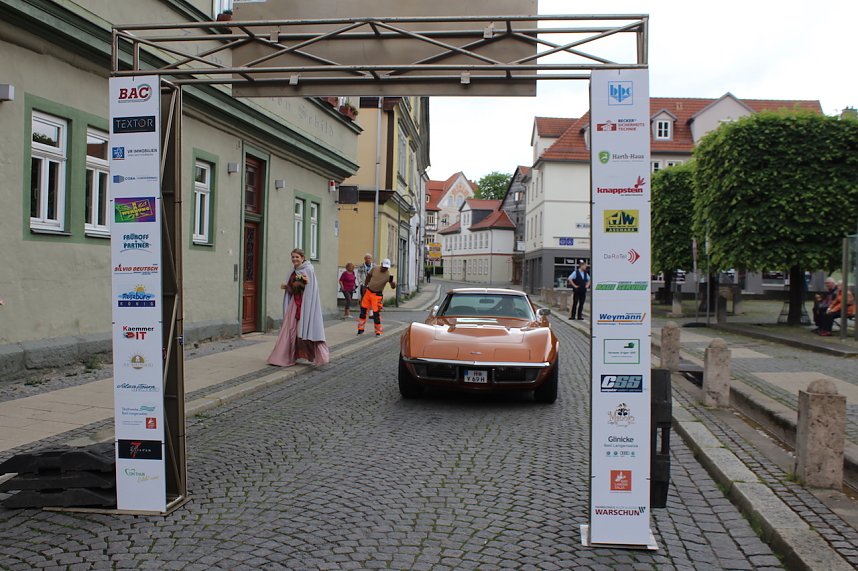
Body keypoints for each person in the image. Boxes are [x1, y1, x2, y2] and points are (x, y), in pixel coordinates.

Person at [268, 248, 330, 366]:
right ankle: (283, 357)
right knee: (289, 329)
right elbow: (295, 288)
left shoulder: (308, 269)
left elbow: (309, 288)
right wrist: (288, 287)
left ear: (302, 258)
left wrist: (299, 283)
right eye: (293, 257)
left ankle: (321, 356)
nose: (294, 259)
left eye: (297, 257)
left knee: (305, 329)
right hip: (294, 303)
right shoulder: (293, 270)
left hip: (304, 305)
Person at [357, 258, 396, 337]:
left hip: (377, 295)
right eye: (384, 267)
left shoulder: (388, 275)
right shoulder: (375, 268)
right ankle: (360, 329)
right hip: (368, 292)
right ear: (381, 264)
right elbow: (368, 276)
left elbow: (393, 287)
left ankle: (378, 331)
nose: (384, 269)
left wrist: (393, 283)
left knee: (376, 314)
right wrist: (365, 286)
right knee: (363, 311)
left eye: (386, 268)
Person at [356, 253, 374, 318]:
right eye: (366, 258)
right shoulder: (361, 266)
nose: (368, 259)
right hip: (364, 285)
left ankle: (371, 314)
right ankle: (363, 312)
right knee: (364, 299)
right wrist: (361, 283)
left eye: (369, 258)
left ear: (371, 259)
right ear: (364, 259)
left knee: (372, 299)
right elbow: (358, 275)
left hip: (372, 285)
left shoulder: (374, 266)